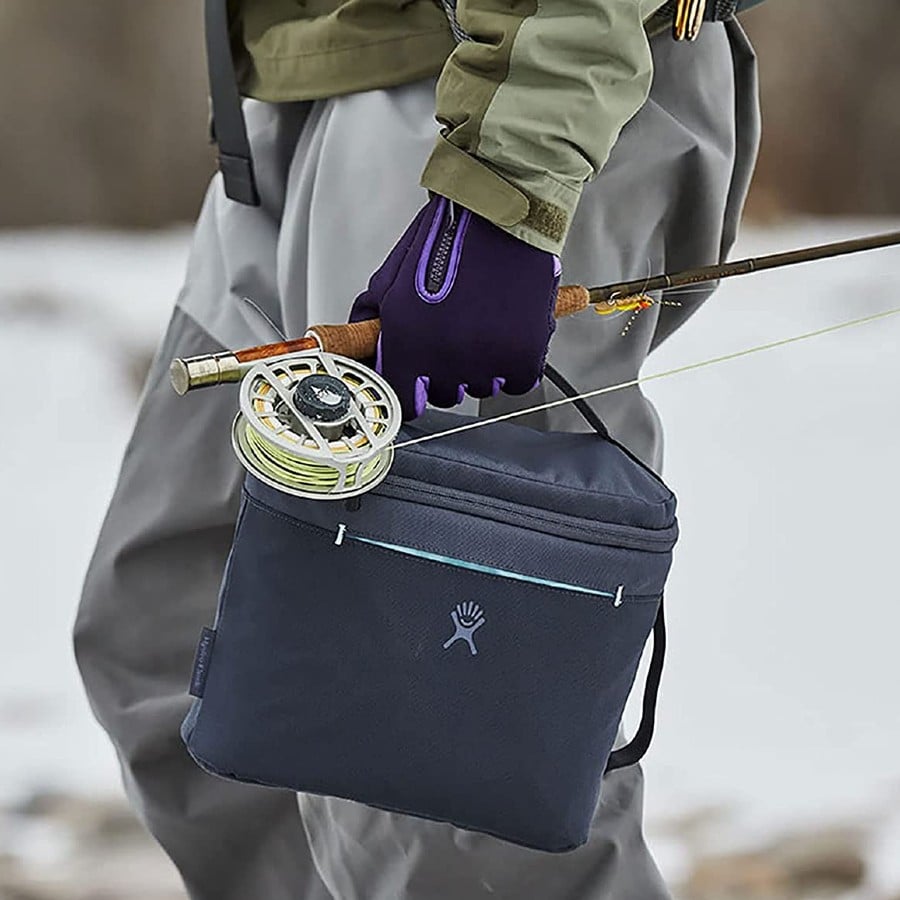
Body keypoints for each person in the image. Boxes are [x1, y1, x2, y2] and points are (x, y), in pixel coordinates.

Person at [74, 1, 760, 897]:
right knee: (169, 642)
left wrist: (509, 182)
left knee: (434, 775)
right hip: (294, 81)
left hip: (498, 93)